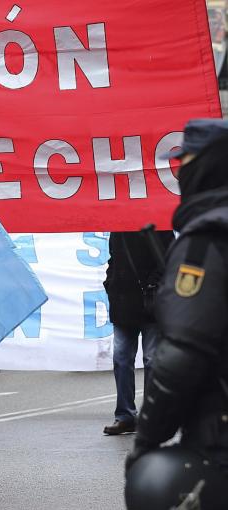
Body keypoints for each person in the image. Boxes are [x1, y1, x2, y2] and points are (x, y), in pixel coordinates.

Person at [125, 120, 228, 508]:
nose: (179, 170)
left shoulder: (206, 243)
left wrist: (147, 440)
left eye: (184, 160)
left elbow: (183, 354)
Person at [102, 229, 173, 435]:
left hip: (150, 304)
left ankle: (151, 415)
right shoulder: (119, 229)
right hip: (124, 304)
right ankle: (125, 416)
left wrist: (154, 285)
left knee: (151, 360)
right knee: (122, 358)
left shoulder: (160, 228)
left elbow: (170, 261)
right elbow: (114, 259)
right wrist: (111, 284)